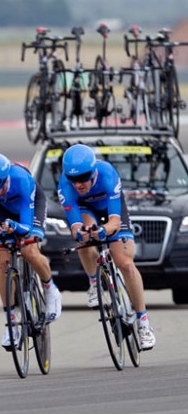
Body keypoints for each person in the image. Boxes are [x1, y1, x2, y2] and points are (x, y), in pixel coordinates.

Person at [58, 144, 156, 350]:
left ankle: (143, 322)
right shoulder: (65, 186)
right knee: (83, 237)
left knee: (125, 263)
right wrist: (81, 232)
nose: (79, 184)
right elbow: (75, 224)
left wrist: (104, 231)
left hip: (111, 211)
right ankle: (94, 282)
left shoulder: (108, 174)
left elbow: (114, 222)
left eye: (84, 177)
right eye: (74, 179)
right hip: (86, 210)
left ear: (93, 171)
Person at [0, 151, 62, 349]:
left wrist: (17, 228)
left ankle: (50, 289)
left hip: (30, 207)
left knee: (29, 251)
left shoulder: (21, 180)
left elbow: (27, 227)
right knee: (4, 261)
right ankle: (10, 322)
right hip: (2, 212)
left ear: (4, 180)